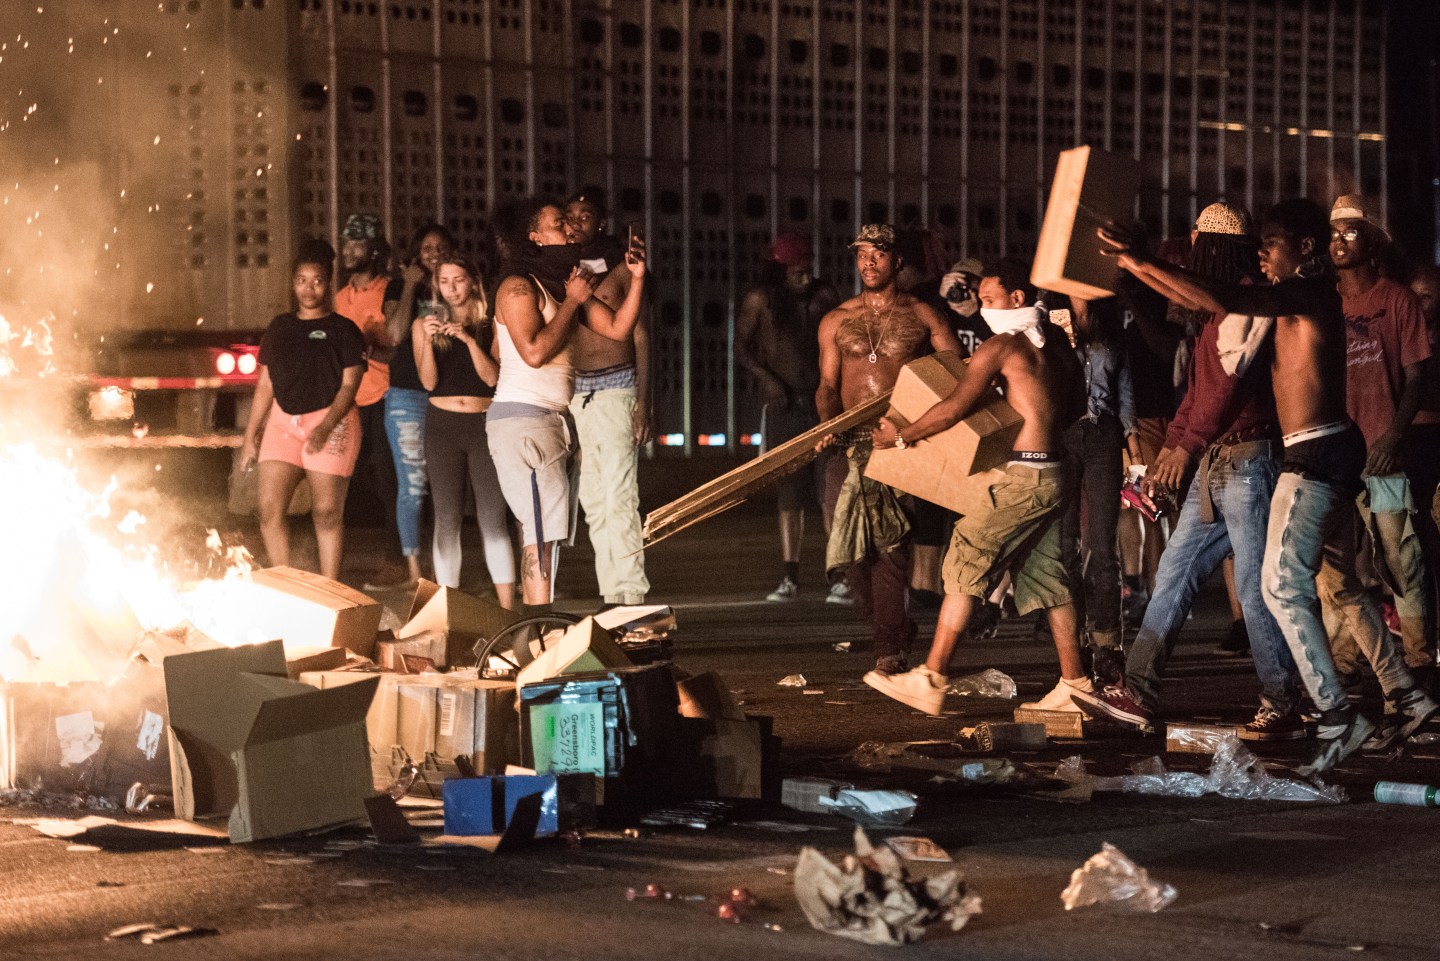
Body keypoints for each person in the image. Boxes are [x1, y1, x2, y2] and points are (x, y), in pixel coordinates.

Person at [1096, 200, 1438, 774]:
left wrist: (1144, 259)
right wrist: (1136, 263)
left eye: (1274, 240)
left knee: (1280, 588)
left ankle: (1334, 715)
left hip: (1315, 452)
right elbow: (1202, 299)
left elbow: (1222, 297)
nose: (1263, 249)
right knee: (1339, 587)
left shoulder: (1305, 293)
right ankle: (1410, 698)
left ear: (1305, 249)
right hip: (1326, 449)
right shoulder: (1298, 294)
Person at [1069, 204, 1307, 741]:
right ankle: (1139, 689)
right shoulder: (1217, 309)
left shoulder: (1245, 302)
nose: (1192, 259)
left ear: (1214, 250)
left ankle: (1282, 700)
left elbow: (1224, 385)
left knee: (1252, 586)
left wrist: (1184, 446)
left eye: (1199, 247)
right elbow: (1200, 388)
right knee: (1176, 574)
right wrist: (1175, 447)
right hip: (1223, 461)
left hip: (1248, 459)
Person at [862, 257, 1087, 716]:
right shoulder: (1058, 341)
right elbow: (1077, 403)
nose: (982, 309)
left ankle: (931, 676)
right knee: (1048, 576)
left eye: (988, 300)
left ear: (1017, 299)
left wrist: (900, 436)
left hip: (1024, 476)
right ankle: (1075, 684)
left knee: (966, 555)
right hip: (1057, 472)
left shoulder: (1002, 348)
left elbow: (952, 409)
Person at [487, 198, 647, 608]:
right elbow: (534, 352)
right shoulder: (518, 286)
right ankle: (537, 625)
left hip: (550, 420)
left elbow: (616, 328)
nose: (571, 231)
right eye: (560, 224)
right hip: (523, 420)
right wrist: (573, 302)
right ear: (535, 237)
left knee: (549, 531)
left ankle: (539, 623)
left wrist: (637, 277)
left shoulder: (563, 284)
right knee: (539, 532)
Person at [817, 224, 960, 676]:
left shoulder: (923, 314)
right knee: (847, 553)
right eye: (862, 255)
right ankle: (894, 628)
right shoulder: (837, 318)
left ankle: (888, 648)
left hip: (897, 442)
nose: (869, 263)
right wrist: (827, 424)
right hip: (847, 442)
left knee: (891, 546)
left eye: (878, 254)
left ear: (897, 260)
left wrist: (918, 426)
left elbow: (956, 371)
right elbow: (826, 384)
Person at [1329, 196, 1435, 695]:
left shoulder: (1398, 300)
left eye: (1351, 232)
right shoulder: (1325, 300)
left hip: (1382, 452)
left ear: (1372, 242)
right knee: (1339, 568)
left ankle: (1419, 660)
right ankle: (1345, 662)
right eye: (1334, 232)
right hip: (1334, 455)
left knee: (1400, 557)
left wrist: (1393, 435)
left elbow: (1417, 376)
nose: (1339, 241)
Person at [239, 240, 365, 582]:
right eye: (302, 280)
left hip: (332, 420)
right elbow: (265, 385)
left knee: (325, 512)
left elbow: (350, 386)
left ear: (327, 283)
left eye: (317, 280)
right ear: (293, 283)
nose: (309, 288)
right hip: (283, 422)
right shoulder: (279, 327)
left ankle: (331, 587)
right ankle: (285, 584)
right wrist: (250, 436)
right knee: (269, 509)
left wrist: (325, 427)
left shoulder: (344, 331)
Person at [735, 232, 844, 603]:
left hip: (822, 405)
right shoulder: (760, 300)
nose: (805, 273)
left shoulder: (825, 296)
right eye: (797, 267)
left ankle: (839, 576)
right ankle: (790, 578)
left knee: (830, 489)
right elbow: (741, 347)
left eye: (809, 265)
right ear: (779, 268)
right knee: (790, 492)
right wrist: (768, 380)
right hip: (785, 406)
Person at [563, 190, 652, 607]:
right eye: (570, 216)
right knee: (594, 499)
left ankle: (631, 592)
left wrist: (644, 403)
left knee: (620, 496)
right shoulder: (562, 271)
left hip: (618, 387)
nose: (577, 222)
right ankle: (612, 592)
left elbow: (640, 334)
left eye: (586, 215)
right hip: (580, 393)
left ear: (600, 222)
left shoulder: (620, 266)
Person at [413, 255, 517, 609]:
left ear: (473, 281)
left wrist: (469, 341)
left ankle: (507, 608)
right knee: (446, 518)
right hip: (442, 425)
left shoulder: (492, 323)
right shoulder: (423, 324)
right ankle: (448, 608)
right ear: (436, 285)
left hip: (484, 423)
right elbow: (428, 381)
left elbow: (492, 378)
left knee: (492, 518)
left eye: (459, 280)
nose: (452, 288)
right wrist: (427, 341)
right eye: (444, 281)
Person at [1060, 294, 1138, 673]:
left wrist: (1133, 448)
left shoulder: (1110, 324)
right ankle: (1070, 639)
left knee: (1102, 544)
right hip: (1062, 434)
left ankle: (1107, 642)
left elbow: (1124, 393)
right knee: (1064, 543)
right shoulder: (1052, 317)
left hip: (1104, 433)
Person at [378, 224, 455, 590]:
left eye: (441, 247)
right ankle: (414, 572)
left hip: (447, 396)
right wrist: (410, 284)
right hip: (407, 396)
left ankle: (443, 572)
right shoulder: (398, 287)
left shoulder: (459, 286)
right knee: (412, 486)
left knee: (446, 488)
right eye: (427, 247)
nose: (434, 253)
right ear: (416, 254)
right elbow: (394, 334)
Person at [333, 214, 403, 584]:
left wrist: (367, 347)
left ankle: (396, 559)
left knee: (390, 481)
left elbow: (390, 345)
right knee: (341, 479)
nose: (348, 250)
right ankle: (335, 560)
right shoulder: (341, 297)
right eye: (346, 243)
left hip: (383, 395)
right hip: (348, 399)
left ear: (374, 249)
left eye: (356, 243)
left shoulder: (388, 290)